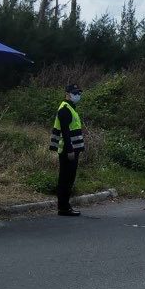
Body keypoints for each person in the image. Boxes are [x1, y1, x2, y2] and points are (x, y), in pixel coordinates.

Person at [49, 83, 85, 216]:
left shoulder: (70, 108)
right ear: (67, 94)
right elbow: (65, 132)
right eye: (75, 93)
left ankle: (65, 206)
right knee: (65, 179)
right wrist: (70, 150)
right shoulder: (65, 109)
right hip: (67, 150)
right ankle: (63, 208)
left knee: (68, 178)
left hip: (72, 149)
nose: (78, 95)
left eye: (79, 93)